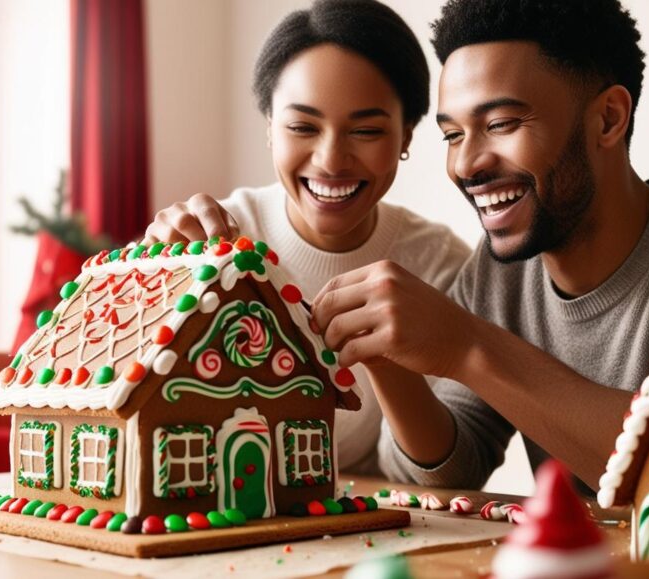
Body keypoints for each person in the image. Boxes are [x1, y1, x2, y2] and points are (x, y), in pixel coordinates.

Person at [306, 0, 649, 489]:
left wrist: (468, 347)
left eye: (500, 123)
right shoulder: (498, 277)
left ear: (609, 118)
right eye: (453, 135)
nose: (466, 163)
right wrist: (386, 357)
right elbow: (453, 468)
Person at [143, 0, 471, 475]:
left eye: (365, 130)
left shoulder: (440, 266)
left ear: (405, 137)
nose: (331, 160)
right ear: (270, 129)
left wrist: (389, 360)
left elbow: (434, 478)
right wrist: (157, 282)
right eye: (302, 127)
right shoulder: (217, 242)